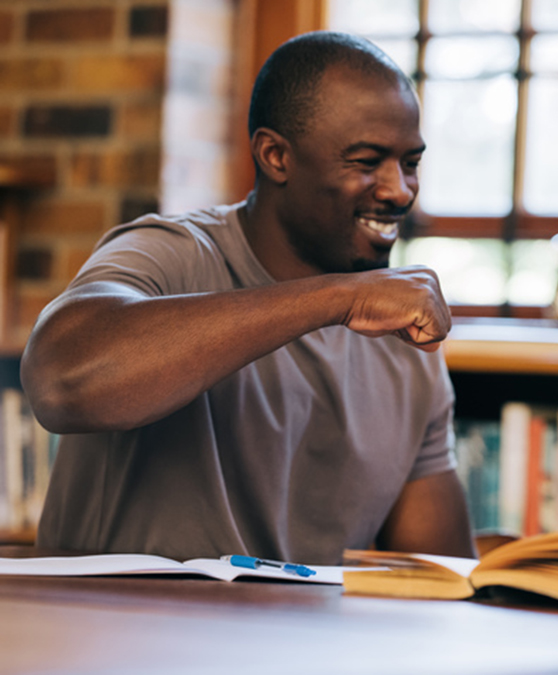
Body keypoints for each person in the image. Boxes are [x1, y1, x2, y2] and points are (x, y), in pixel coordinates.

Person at [22, 32, 476, 565]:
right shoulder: (172, 254)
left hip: (299, 646)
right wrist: (338, 299)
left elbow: (441, 577)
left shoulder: (405, 345)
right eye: (366, 161)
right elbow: (63, 383)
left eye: (410, 163)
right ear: (275, 155)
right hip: (130, 641)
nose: (399, 189)